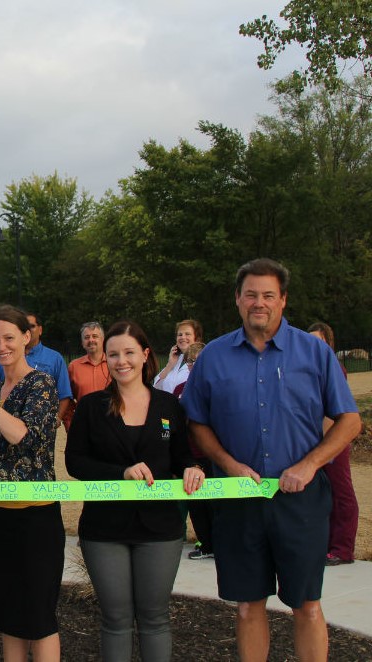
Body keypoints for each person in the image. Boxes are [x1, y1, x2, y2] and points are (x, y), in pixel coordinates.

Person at [183, 258, 360, 662]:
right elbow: (197, 423)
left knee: (307, 605)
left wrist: (310, 464)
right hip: (238, 500)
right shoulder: (213, 357)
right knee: (248, 606)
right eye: (250, 295)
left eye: (267, 295)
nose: (258, 302)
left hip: (300, 501)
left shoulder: (314, 352)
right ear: (237, 300)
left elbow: (349, 421)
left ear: (283, 300)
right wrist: (226, 463)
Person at [66, 321, 205, 661]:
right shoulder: (92, 406)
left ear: (145, 355)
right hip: (104, 528)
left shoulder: (168, 406)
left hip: (160, 528)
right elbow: (75, 462)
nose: (121, 361)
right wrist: (120, 473)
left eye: (129, 352)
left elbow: (182, 455)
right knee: (115, 619)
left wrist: (192, 468)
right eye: (113, 354)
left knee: (155, 618)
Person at [0, 305, 64, 662]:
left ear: (26, 337)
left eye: (8, 337)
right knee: (7, 612)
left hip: (34, 517)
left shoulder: (41, 383)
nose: (1, 345)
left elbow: (21, 434)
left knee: (38, 614)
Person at [308, 322, 358, 566]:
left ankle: (343, 549)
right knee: (323, 495)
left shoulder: (334, 368)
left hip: (332, 442)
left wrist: (327, 445)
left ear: (329, 343)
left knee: (341, 493)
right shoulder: (310, 368)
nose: (314, 346)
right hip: (316, 443)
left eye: (319, 341)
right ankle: (327, 544)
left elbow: (337, 411)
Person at [173, 342, 214, 560]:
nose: (194, 365)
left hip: (211, 454)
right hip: (190, 456)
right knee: (196, 504)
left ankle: (220, 543)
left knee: (216, 503)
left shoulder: (215, 387)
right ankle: (206, 543)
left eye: (199, 360)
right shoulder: (179, 391)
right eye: (190, 361)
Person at [0, 312, 72, 423]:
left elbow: (64, 393)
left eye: (32, 326)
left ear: (40, 330)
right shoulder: (5, 357)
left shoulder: (55, 358)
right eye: (23, 327)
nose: (28, 329)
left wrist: (57, 418)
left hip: (41, 425)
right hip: (5, 422)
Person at [65, 321, 110, 429]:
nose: (91, 340)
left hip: (112, 425)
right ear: (82, 342)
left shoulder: (114, 364)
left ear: (103, 340)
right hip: (84, 425)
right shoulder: (74, 367)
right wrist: (70, 426)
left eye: (95, 336)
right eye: (87, 337)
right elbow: (67, 401)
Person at [153, 319, 202, 393]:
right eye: (180, 335)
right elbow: (156, 387)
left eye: (187, 334)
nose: (182, 337)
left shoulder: (202, 361)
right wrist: (169, 365)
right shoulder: (175, 360)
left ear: (197, 339)